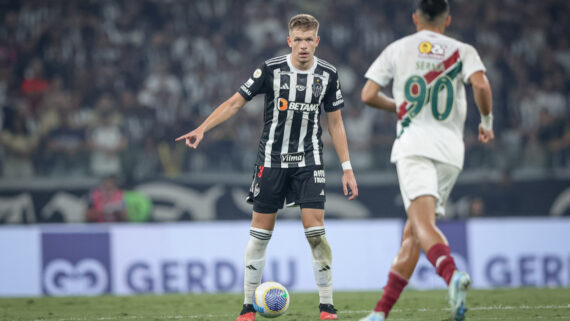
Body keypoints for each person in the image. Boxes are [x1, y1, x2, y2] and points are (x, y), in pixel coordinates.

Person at [176, 14, 358, 321]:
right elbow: (235, 102)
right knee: (261, 233)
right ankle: (248, 306)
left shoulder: (328, 74)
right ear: (289, 41)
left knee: (315, 233)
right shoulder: (271, 69)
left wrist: (347, 167)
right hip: (271, 161)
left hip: (309, 160)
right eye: (297, 40)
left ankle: (327, 306)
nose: (303, 46)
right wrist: (203, 128)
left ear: (317, 42)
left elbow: (336, 123)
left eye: (308, 40)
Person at [359, 1, 494, 320]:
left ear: (415, 18)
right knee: (413, 233)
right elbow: (481, 84)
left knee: (422, 224)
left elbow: (367, 95)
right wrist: (486, 123)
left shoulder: (398, 49)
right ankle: (380, 313)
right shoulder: (463, 49)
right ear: (447, 20)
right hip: (451, 152)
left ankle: (451, 275)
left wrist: (398, 107)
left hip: (415, 147)